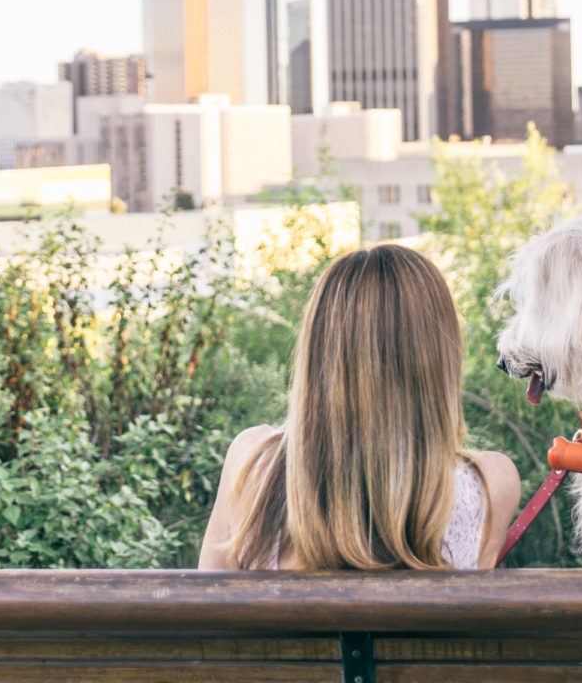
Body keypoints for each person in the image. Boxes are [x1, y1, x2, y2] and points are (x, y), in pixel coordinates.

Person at [198, 244, 520, 570]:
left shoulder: (252, 463)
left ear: (318, 352)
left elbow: (204, 608)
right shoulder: (491, 483)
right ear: (439, 358)